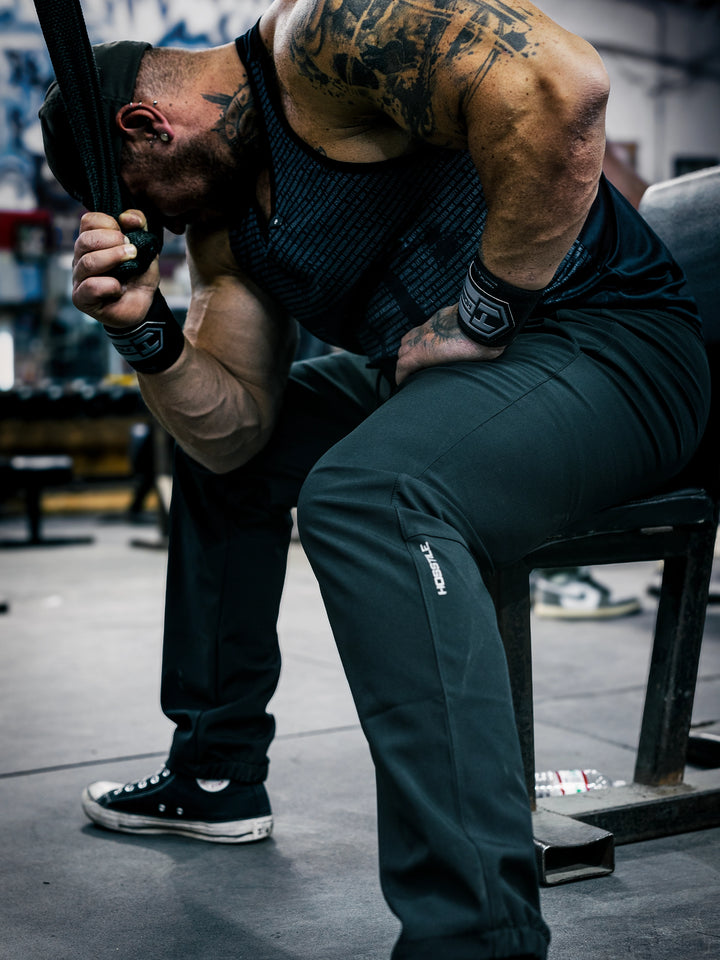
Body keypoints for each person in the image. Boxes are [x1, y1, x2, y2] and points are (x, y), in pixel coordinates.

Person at [39, 3, 711, 958]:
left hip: (615, 344)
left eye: (157, 199)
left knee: (373, 494)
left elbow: (566, 86)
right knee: (238, 462)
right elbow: (233, 432)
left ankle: (476, 934)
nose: (168, 224)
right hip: (448, 368)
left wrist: (480, 312)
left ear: (147, 126)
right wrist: (144, 333)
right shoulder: (228, 231)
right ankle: (217, 771)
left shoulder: (324, 36)